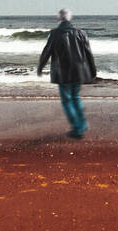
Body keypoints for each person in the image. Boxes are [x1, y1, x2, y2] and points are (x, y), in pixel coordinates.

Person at [37, 8, 97, 139]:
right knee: (75, 97)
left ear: (59, 19)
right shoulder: (81, 33)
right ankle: (82, 124)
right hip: (79, 71)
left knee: (67, 100)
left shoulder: (54, 33)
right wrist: (93, 70)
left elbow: (46, 51)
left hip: (62, 72)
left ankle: (78, 128)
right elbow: (88, 53)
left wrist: (40, 67)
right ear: (71, 18)